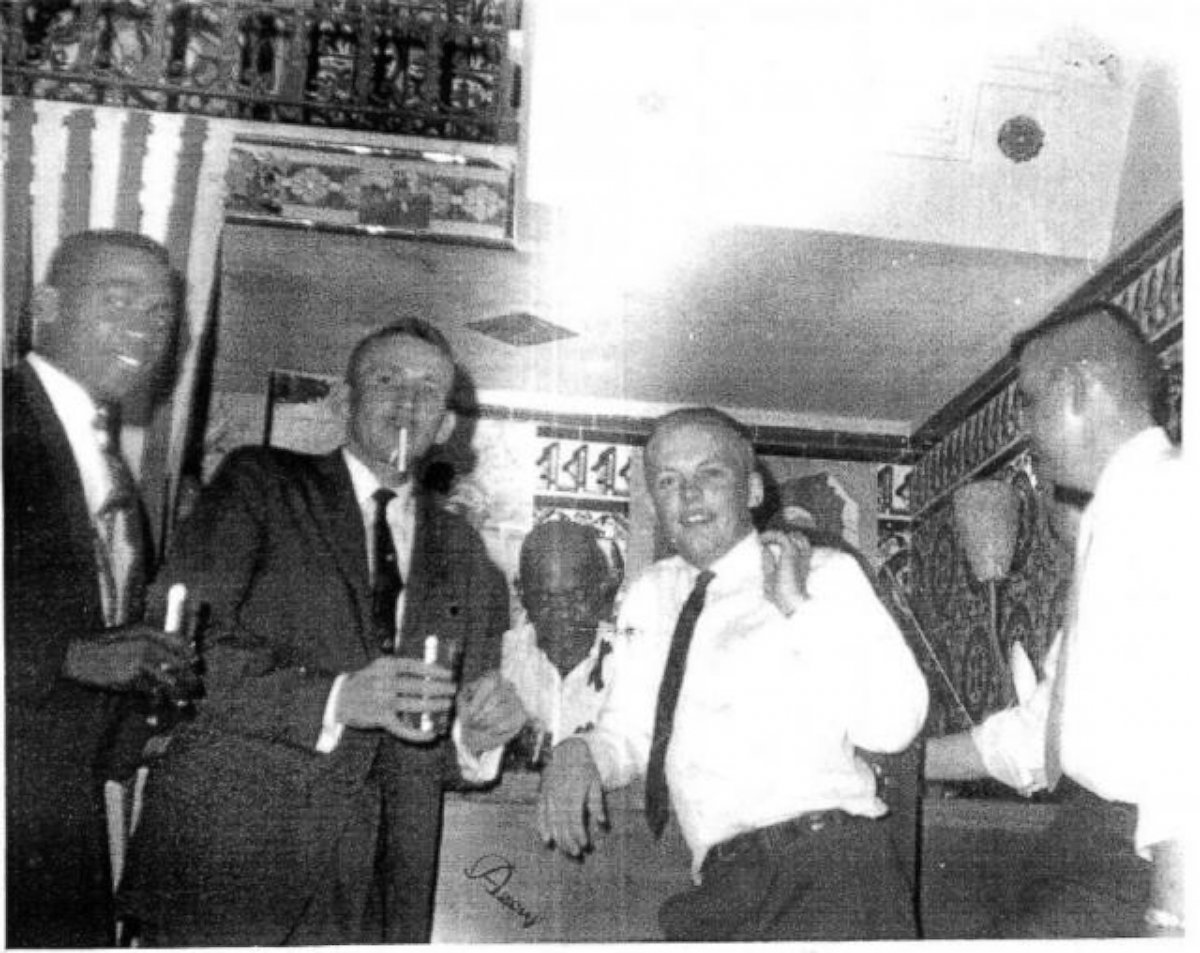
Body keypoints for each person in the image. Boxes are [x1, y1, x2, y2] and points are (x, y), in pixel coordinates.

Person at [119, 319, 527, 945]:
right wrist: (336, 699)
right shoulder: (258, 484)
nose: (408, 400)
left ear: (447, 427)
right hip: (230, 869)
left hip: (376, 892)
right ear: (344, 400)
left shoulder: (468, 556)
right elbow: (173, 648)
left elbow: (437, 740)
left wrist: (477, 738)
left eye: (428, 389)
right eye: (387, 379)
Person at [537, 407, 929, 941]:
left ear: (750, 490)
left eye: (710, 474)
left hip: (829, 871)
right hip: (723, 882)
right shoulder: (651, 593)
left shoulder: (823, 572)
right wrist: (579, 751)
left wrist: (798, 609)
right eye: (669, 481)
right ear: (654, 503)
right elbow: (630, 735)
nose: (690, 495)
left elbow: (893, 723)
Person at [929, 302, 1187, 939]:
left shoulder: (1169, 500)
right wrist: (901, 762)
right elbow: (1043, 734)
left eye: (1029, 402)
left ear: (1078, 388)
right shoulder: (1120, 513)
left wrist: (1175, 910)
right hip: (1096, 840)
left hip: (1138, 856)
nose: (1024, 429)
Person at [4, 230, 196, 947]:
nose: (144, 330)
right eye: (117, 302)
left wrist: (143, 729)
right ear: (45, 306)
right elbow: (72, 651)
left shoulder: (115, 471)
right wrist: (68, 656)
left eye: (160, 313)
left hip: (59, 820)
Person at [501, 519, 620, 767]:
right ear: (521, 593)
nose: (562, 612)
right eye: (544, 597)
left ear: (601, 589)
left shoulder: (630, 661)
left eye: (576, 595)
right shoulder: (501, 661)